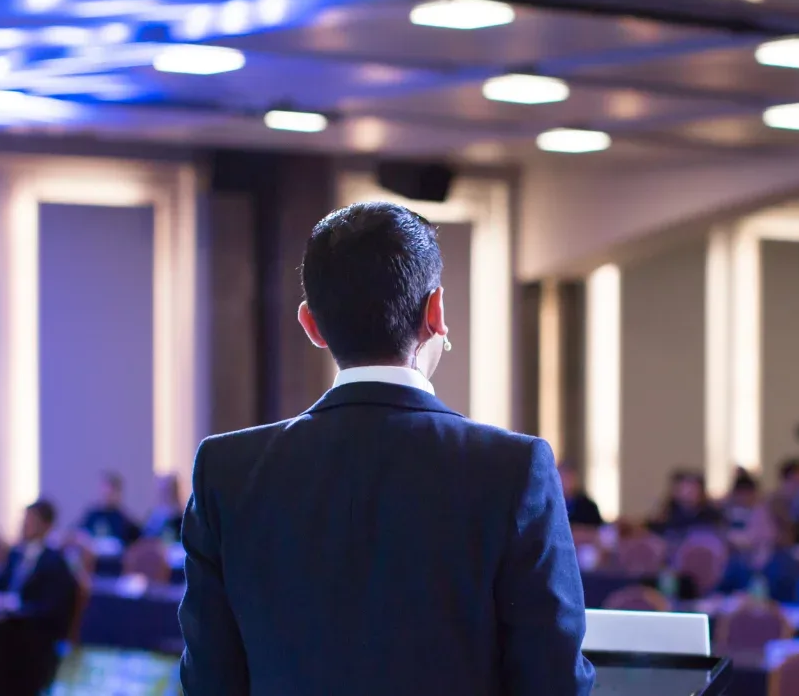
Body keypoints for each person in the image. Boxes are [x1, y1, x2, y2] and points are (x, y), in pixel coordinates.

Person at [179, 202, 593, 696]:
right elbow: (553, 680)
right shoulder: (514, 469)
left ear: (311, 325)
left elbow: (208, 681)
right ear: (435, 312)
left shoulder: (226, 471)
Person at [0, 500, 78, 691]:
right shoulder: (15, 554)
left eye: (30, 520)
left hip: (36, 636)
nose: (24, 525)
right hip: (7, 628)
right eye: (24, 519)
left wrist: (16, 605)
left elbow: (54, 608)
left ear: (46, 525)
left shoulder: (55, 562)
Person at [650, 471, 723, 537]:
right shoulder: (665, 519)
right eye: (685, 489)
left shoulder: (712, 518)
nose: (689, 493)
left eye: (693, 489)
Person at [78, 471, 141, 546]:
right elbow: (79, 534)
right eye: (104, 490)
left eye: (111, 491)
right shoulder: (91, 516)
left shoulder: (125, 522)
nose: (107, 494)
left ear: (118, 493)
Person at [559, 462, 603, 529]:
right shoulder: (548, 505)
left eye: (568, 478)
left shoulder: (588, 506)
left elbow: (598, 529)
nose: (565, 482)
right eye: (562, 477)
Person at [143, 474, 184, 542]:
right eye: (161, 489)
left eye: (167, 489)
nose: (164, 493)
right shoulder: (153, 514)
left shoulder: (180, 516)